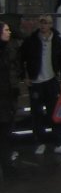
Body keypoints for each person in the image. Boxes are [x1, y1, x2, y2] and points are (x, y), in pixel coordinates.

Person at [18, 15, 61, 155]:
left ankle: (60, 143)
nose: (44, 25)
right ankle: (39, 142)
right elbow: (20, 58)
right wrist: (24, 76)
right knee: (37, 114)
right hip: (36, 82)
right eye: (42, 22)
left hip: (51, 81)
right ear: (38, 23)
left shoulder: (57, 41)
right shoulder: (31, 41)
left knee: (55, 113)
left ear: (51, 24)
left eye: (47, 23)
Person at [0, 22, 20, 181]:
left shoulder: (7, 50)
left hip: (6, 102)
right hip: (3, 102)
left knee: (6, 136)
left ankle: (7, 168)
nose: (9, 32)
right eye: (6, 30)